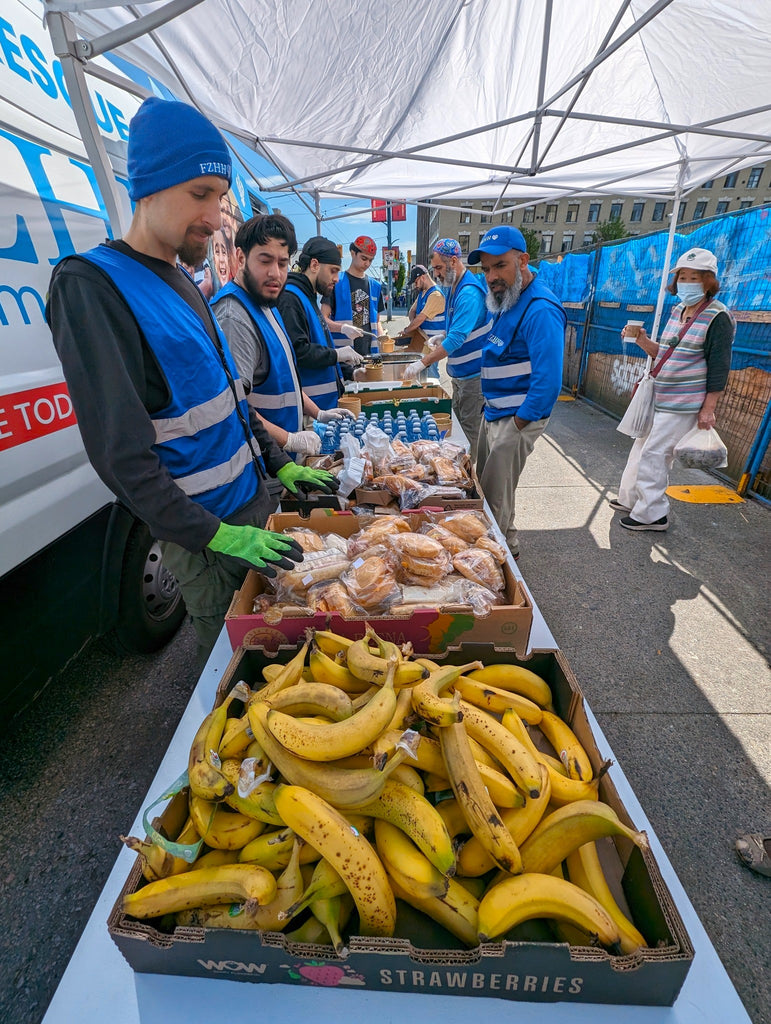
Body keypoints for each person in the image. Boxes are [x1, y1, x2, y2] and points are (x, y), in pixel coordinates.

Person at [45, 97, 335, 661]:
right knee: (237, 672)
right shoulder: (92, 286)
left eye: (220, 198)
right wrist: (211, 535)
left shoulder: (182, 279)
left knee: (287, 654)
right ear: (147, 186)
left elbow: (226, 399)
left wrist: (279, 464)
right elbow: (121, 459)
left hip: (252, 510)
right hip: (206, 542)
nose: (214, 216)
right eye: (199, 194)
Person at [211, 214, 355, 467]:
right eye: (265, 261)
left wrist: (317, 413)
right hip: (264, 461)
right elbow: (235, 406)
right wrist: (288, 439)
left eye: (282, 263)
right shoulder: (234, 316)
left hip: (281, 458)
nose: (275, 273)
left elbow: (284, 378)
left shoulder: (267, 305)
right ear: (241, 257)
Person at [610, 247, 735, 531]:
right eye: (682, 277)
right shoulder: (679, 309)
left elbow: (719, 367)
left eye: (695, 277)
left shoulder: (718, 316)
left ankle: (652, 514)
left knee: (656, 454)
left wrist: (708, 409)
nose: (687, 283)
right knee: (641, 448)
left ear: (709, 281)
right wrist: (641, 340)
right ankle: (630, 499)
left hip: (684, 402)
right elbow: (664, 352)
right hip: (661, 395)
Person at [469, 226, 566, 559]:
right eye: (486, 269)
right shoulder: (508, 297)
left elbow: (549, 381)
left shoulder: (540, 309)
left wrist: (518, 425)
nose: (492, 276)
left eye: (500, 266)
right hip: (496, 411)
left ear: (523, 260)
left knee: (495, 496)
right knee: (488, 486)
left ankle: (498, 561)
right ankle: (506, 542)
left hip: (516, 418)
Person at [403, 238, 491, 463]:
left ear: (454, 261)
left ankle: (475, 481)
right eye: (434, 269)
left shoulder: (468, 292)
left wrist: (422, 362)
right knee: (459, 427)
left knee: (471, 433)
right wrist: (442, 335)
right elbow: (457, 329)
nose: (437, 274)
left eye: (439, 268)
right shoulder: (453, 287)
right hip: (462, 377)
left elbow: (457, 339)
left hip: (474, 377)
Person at [277, 236, 364, 409]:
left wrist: (351, 372)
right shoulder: (291, 299)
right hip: (312, 409)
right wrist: (337, 354)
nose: (336, 278)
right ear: (315, 265)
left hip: (323, 405)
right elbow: (298, 351)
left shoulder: (307, 297)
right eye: (333, 271)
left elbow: (319, 348)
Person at [322, 234, 385, 355]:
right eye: (364, 258)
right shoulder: (336, 281)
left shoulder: (376, 286)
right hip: (343, 353)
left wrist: (382, 337)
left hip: (370, 354)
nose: (367, 263)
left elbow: (377, 322)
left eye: (370, 260)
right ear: (352, 253)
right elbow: (322, 319)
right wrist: (342, 328)